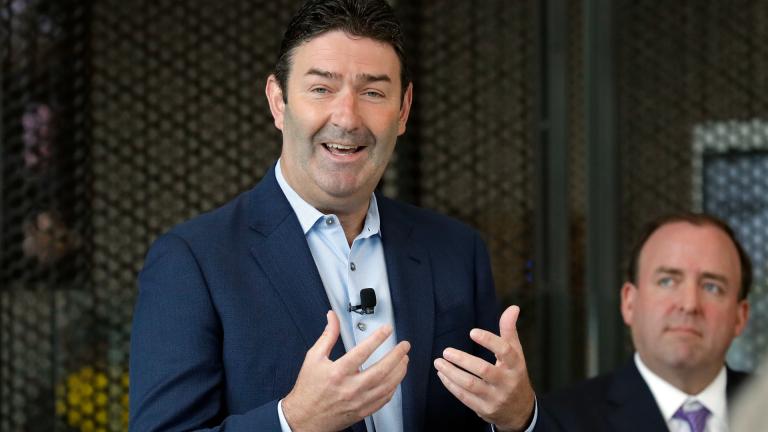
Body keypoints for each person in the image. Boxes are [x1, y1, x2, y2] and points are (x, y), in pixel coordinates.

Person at [128, 1, 536, 431]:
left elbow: (492, 415)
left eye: (373, 92)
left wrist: (520, 418)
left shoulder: (457, 250)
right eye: (321, 89)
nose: (346, 117)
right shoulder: (193, 261)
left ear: (403, 109)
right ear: (278, 101)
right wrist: (294, 421)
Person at [537, 213, 752, 432]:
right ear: (629, 303)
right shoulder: (558, 421)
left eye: (711, 287)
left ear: (740, 316)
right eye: (667, 281)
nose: (689, 304)